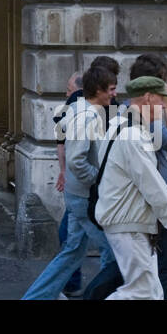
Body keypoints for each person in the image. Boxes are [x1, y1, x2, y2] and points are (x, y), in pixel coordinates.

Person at [83, 53, 167, 300]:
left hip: (135, 214)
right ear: (150, 94)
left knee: (148, 287)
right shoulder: (137, 124)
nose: (165, 102)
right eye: (162, 96)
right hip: (136, 214)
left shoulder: (124, 119)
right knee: (146, 286)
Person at [21, 57, 118, 299]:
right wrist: (98, 178)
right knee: (118, 253)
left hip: (77, 194)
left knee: (72, 252)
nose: (114, 95)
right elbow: (77, 160)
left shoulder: (79, 109)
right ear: (99, 90)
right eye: (112, 89)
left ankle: (35, 297)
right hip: (84, 196)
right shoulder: (87, 116)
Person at [52, 71, 84, 295]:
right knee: (71, 238)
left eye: (69, 89)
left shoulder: (70, 110)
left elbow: (64, 147)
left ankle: (67, 284)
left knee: (69, 238)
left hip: (82, 188)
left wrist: (64, 171)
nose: (66, 93)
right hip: (80, 186)